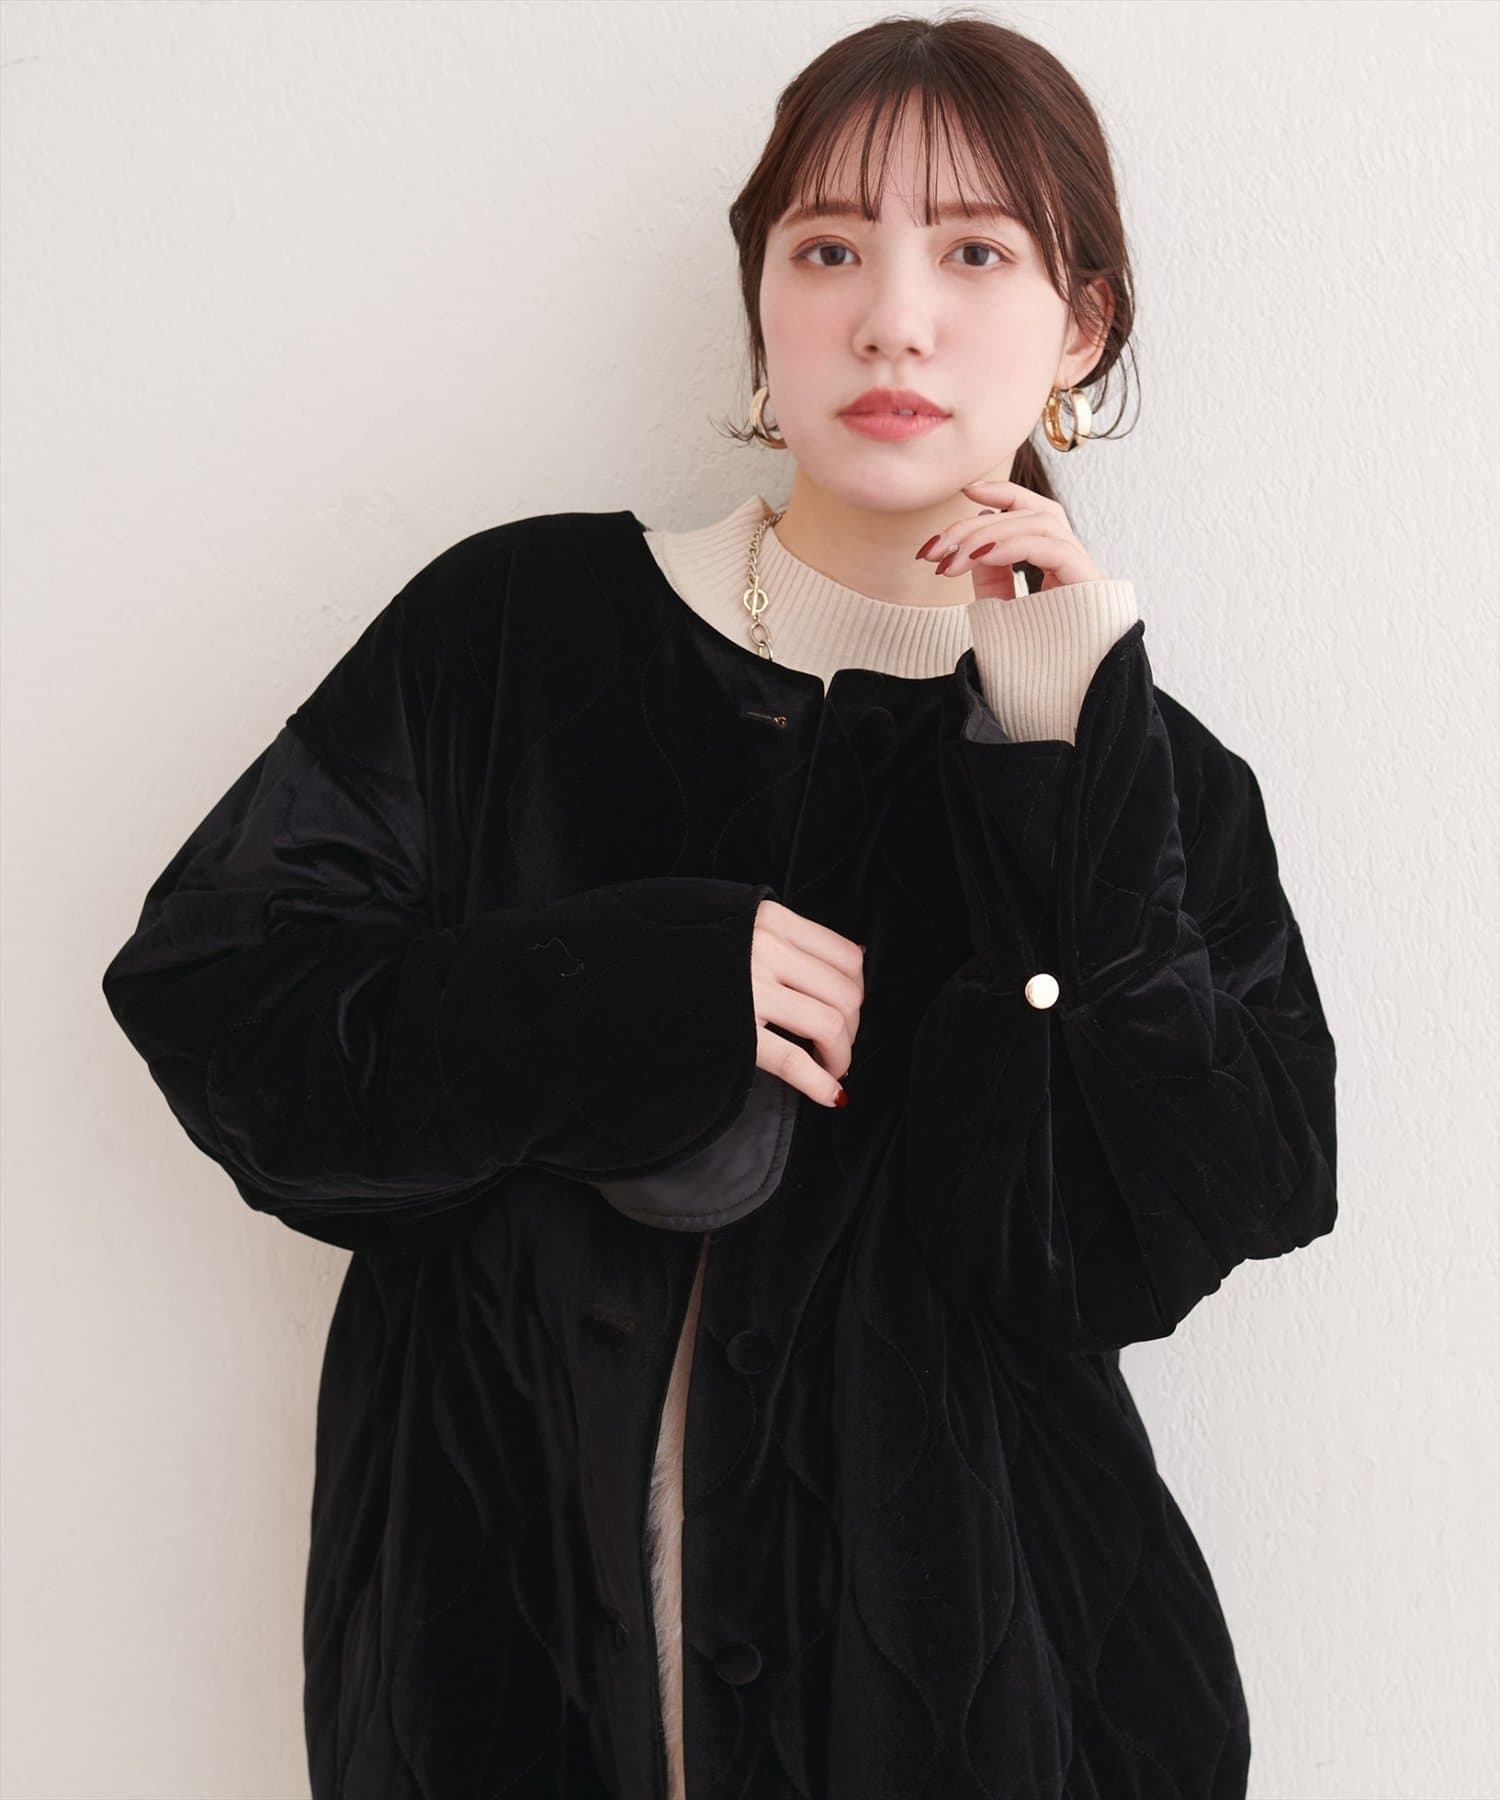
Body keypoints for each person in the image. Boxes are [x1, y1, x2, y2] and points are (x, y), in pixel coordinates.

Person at [101, 14, 1339, 1799]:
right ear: (762, 302)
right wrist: (622, 992)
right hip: (504, 1680)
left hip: (990, 1720)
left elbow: (1174, 1229)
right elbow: (225, 998)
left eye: (973, 253)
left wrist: (1062, 773)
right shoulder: (518, 632)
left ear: (1080, 327)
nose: (892, 317)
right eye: (828, 249)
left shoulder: (1148, 777)